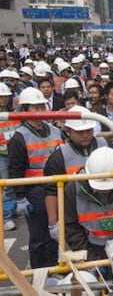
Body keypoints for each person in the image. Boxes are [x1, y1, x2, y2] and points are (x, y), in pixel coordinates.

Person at [8, 87, 64, 268]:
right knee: (40, 236)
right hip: (36, 191)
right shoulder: (19, 137)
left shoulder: (55, 131)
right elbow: (15, 169)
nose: (40, 111)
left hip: (58, 188)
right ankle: (40, 272)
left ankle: (55, 267)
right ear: (24, 110)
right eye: (35, 107)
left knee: (56, 233)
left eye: (42, 106)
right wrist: (20, 196)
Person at [64, 147, 113, 261]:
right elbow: (71, 227)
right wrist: (89, 258)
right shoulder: (73, 188)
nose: (104, 190)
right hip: (90, 246)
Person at [44, 106, 108, 241]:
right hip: (74, 216)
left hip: (107, 211)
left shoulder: (105, 147)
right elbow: (51, 191)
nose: (85, 135)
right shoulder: (59, 156)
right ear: (68, 131)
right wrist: (53, 223)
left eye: (88, 131)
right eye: (80, 132)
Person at [0, 83, 19, 231]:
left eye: (5, 96)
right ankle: (7, 216)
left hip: (14, 153)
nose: (3, 99)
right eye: (1, 97)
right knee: (6, 186)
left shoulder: (14, 113)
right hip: (2, 155)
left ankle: (12, 208)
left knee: (14, 183)